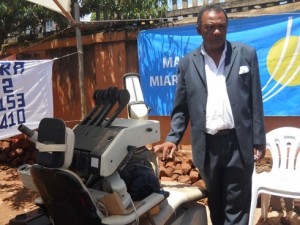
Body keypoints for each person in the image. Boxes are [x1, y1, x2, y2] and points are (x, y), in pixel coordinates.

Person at [153, 4, 266, 225]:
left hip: (239, 144)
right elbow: (181, 107)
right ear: (198, 30)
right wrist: (173, 138)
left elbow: (255, 101)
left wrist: (259, 140)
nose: (216, 32)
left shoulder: (245, 55)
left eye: (221, 27)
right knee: (215, 203)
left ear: (227, 28)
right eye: (209, 27)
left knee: (237, 207)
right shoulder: (187, 63)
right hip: (207, 146)